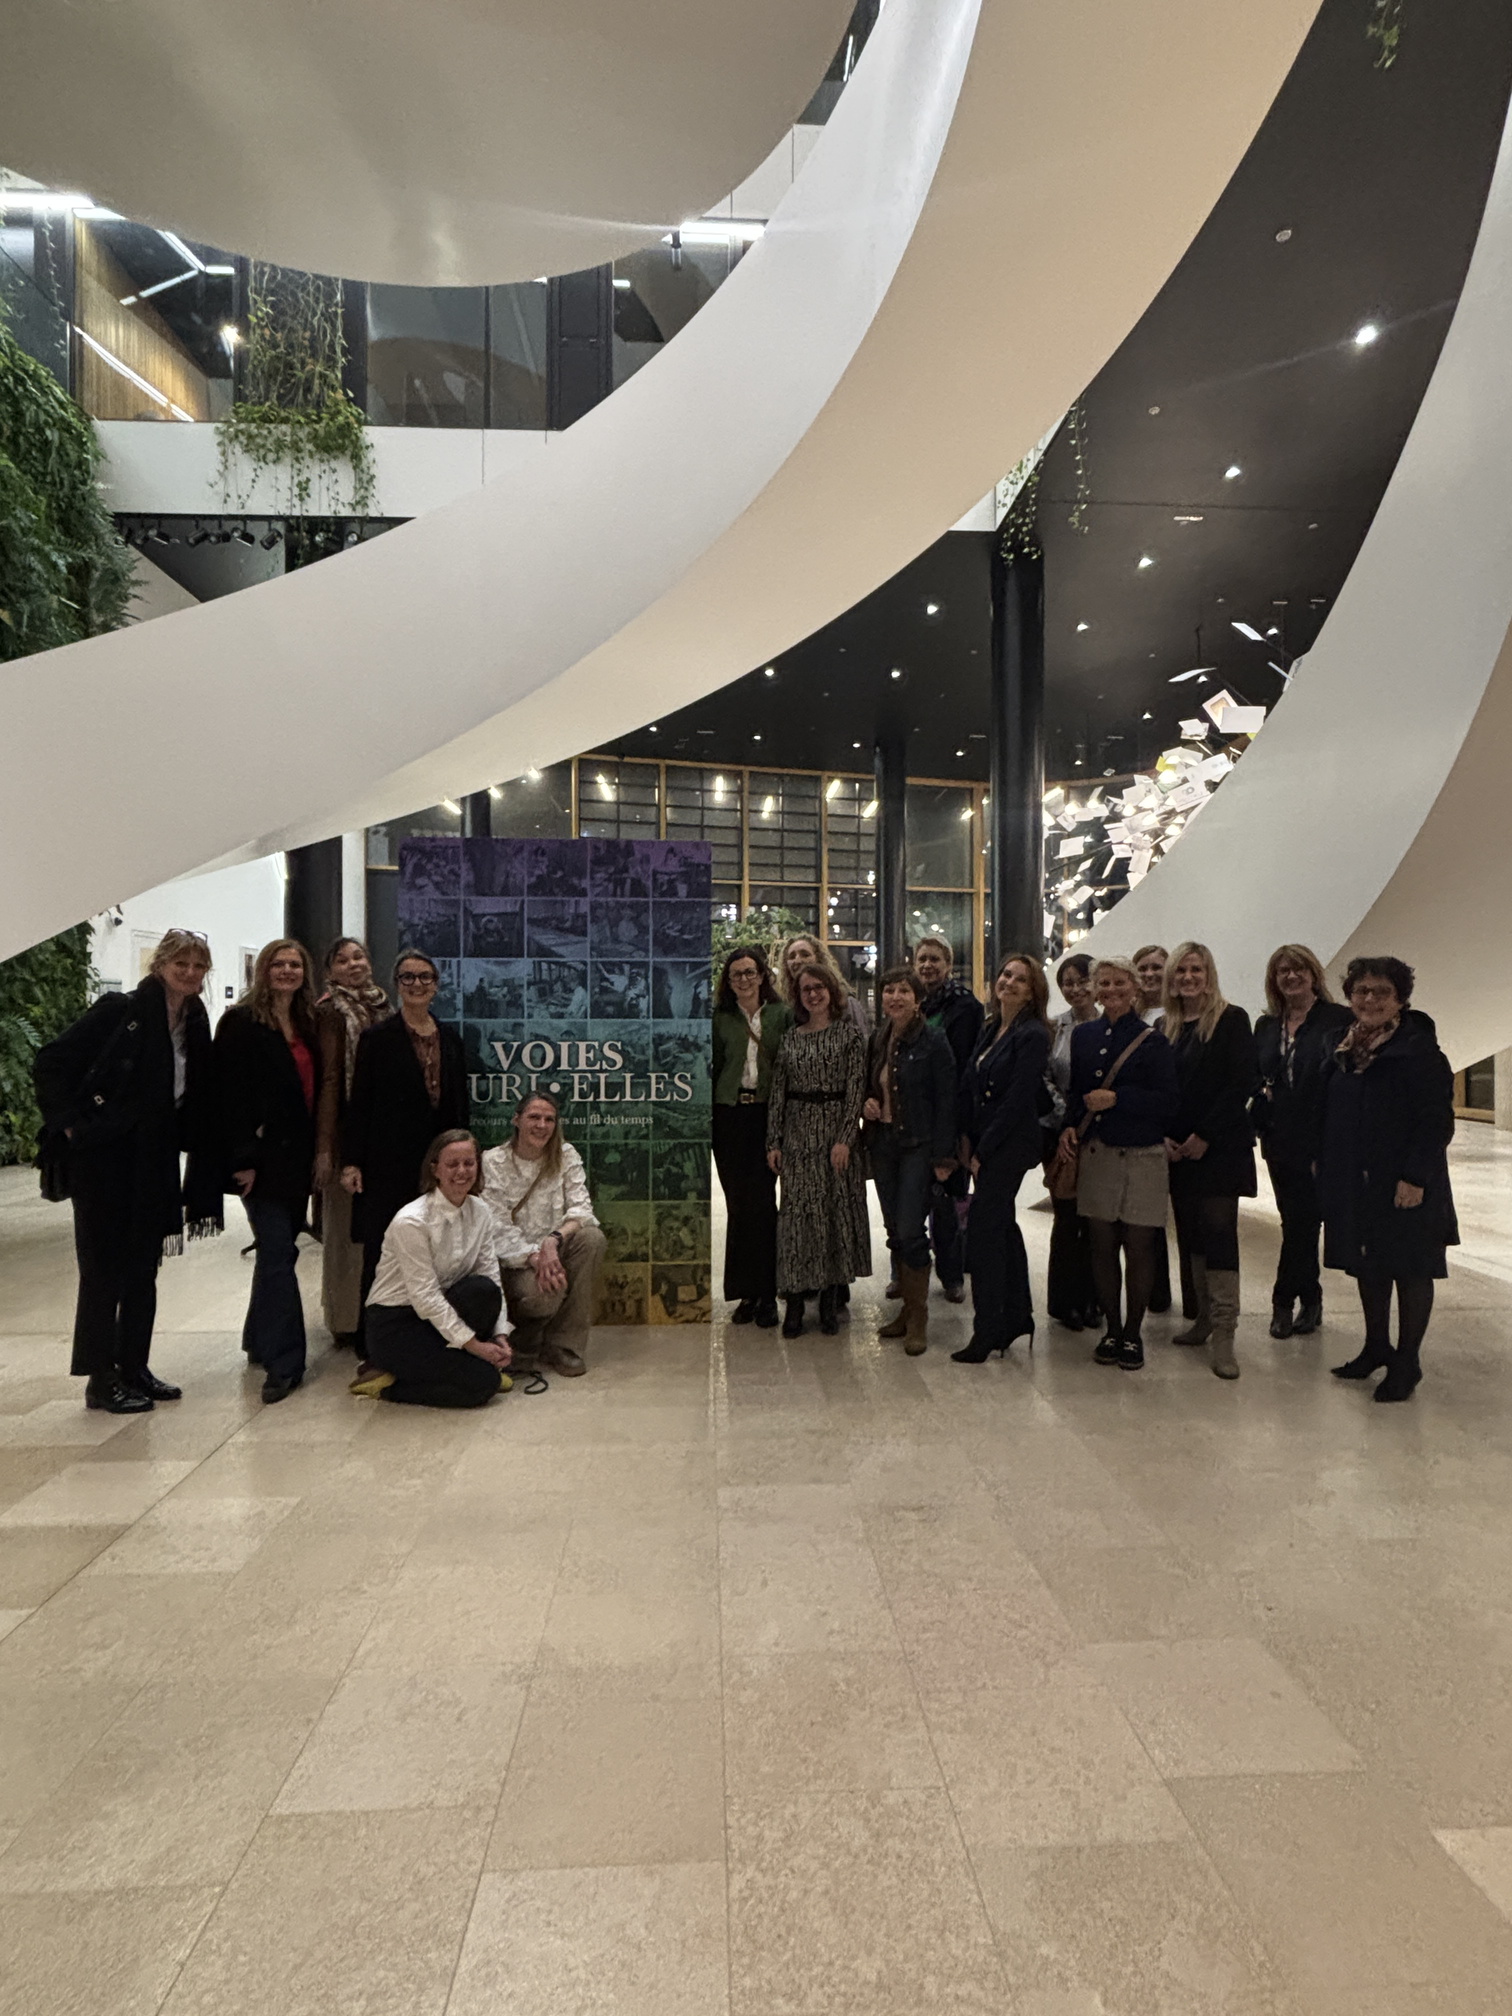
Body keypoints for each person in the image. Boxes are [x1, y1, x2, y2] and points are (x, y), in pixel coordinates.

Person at [34, 928, 223, 1414]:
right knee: (103, 1270)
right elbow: (52, 1061)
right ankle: (101, 1379)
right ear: (160, 965)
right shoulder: (122, 1010)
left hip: (153, 1156)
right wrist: (72, 1127)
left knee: (143, 1268)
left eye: (198, 965)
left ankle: (134, 1367)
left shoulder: (193, 1020)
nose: (190, 973)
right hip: (105, 1158)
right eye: (181, 963)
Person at [1318, 956, 1457, 1402]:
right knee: (1369, 1264)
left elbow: (1436, 1122)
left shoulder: (1420, 1051)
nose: (1370, 999)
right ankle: (1375, 1346)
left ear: (1400, 999)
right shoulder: (1342, 1047)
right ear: (1349, 996)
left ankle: (1407, 1361)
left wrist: (1414, 1177)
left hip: (1405, 1182)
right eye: (1362, 991)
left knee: (1411, 1269)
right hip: (1358, 1179)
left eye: (1382, 992)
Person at [1060, 955, 1179, 1372]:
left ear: (1134, 988)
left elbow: (1169, 1102)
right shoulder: (1084, 1035)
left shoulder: (1152, 1040)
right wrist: (1070, 1125)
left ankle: (1133, 1332)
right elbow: (1076, 1091)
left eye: (1119, 983)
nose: (1111, 990)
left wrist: (1118, 1099)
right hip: (1099, 1153)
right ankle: (1111, 1328)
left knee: (1140, 1245)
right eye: (1104, 983)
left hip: (1142, 1154)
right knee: (1102, 1245)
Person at [215, 939, 322, 1402]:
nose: (287, 971)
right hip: (260, 1160)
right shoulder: (241, 1022)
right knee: (279, 1251)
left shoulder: (309, 1021)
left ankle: (258, 1339)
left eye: (295, 964)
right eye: (278, 964)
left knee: (277, 1251)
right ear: (263, 970)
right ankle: (285, 1363)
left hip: (298, 1158)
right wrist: (241, 1161)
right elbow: (225, 1097)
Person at [342, 947, 469, 1311]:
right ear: (397, 984)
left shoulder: (451, 1039)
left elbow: (460, 1105)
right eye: (408, 977)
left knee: (437, 1250)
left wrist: (465, 1158)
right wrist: (352, 1161)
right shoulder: (376, 1039)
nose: (417, 984)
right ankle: (374, 1334)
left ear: (436, 985)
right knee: (383, 1252)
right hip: (387, 1163)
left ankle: (427, 1330)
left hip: (440, 1165)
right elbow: (360, 1103)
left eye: (425, 977)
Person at [353, 1129, 514, 1407]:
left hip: (438, 1314)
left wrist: (500, 1336)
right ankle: (387, 1385)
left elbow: (490, 1274)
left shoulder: (480, 1211)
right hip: (396, 1325)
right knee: (484, 1384)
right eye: (452, 1164)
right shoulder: (412, 1221)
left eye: (469, 1163)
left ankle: (449, 1364)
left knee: (484, 1290)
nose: (462, 1171)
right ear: (435, 1169)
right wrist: (475, 1346)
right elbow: (425, 1297)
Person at [1161, 941, 1258, 1381]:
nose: (1188, 978)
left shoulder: (1231, 1019)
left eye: (1196, 970)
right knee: (1191, 1236)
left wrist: (1206, 1135)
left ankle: (1224, 1334)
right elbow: (1164, 1088)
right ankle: (1202, 1319)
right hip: (1179, 1151)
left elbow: (1240, 1084)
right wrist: (1166, 1136)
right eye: (1181, 971)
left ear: (1208, 974)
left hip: (1220, 1149)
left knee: (1219, 1235)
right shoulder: (1167, 1026)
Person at [955, 953, 1053, 1362]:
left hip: (1010, 1143)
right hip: (985, 1140)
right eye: (1006, 975)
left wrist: (984, 1150)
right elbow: (972, 1087)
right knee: (1000, 1226)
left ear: (1032, 993)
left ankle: (987, 1328)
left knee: (983, 1233)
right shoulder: (992, 1026)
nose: (1009, 983)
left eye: (1020, 980)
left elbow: (1017, 1099)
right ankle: (1016, 1316)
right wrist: (966, 1137)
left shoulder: (1033, 1034)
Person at [1253, 945, 1352, 1338]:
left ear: (1313, 974)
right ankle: (1309, 1299)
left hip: (1320, 1139)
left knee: (1303, 1222)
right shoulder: (1267, 1025)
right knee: (1296, 1222)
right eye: (1282, 971)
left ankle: (1284, 1302)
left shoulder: (1337, 1020)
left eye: (1298, 969)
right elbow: (1255, 1073)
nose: (1291, 976)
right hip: (1278, 1139)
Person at [767, 963, 869, 1336]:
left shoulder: (849, 1036)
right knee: (796, 1220)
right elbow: (778, 1092)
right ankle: (795, 1300)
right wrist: (773, 1141)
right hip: (797, 1137)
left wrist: (845, 1138)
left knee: (833, 1216)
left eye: (819, 987)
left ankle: (829, 1299)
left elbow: (856, 1091)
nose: (813, 994)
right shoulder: (790, 1039)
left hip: (835, 1138)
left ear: (831, 991)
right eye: (806, 989)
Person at [862, 966, 957, 1354]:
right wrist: (869, 1102)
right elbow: (872, 1083)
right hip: (883, 1143)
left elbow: (948, 1099)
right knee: (894, 1229)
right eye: (889, 990)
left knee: (911, 1229)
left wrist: (945, 1155)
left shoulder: (934, 1039)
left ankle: (919, 1317)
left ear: (918, 1000)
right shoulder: (879, 1037)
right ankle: (905, 1310)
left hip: (918, 1145)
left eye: (903, 991)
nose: (895, 997)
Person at [482, 1091, 606, 1377]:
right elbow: (496, 1227)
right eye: (534, 1117)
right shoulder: (493, 1161)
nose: (542, 1125)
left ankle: (563, 1345)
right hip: (515, 1261)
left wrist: (553, 1241)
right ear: (517, 1120)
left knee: (592, 1239)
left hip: (553, 1249)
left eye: (549, 1119)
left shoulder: (565, 1154)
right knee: (547, 1293)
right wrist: (535, 1257)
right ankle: (522, 1338)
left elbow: (581, 1209)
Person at [312, 937, 390, 1350]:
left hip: (380, 1134)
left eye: (358, 956)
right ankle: (345, 1319)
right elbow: (329, 1079)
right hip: (344, 1133)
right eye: (342, 960)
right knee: (344, 1233)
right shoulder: (329, 1012)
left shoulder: (384, 1006)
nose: (353, 964)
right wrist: (327, 1147)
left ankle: (377, 1312)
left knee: (376, 1232)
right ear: (330, 971)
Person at [710, 946, 791, 1327]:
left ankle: (769, 1293)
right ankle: (746, 1293)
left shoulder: (781, 1015)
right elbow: (713, 1067)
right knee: (738, 1207)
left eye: (749, 972)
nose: (743, 979)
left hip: (767, 1116)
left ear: (762, 976)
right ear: (727, 982)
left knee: (763, 1206)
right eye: (736, 974)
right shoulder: (720, 1019)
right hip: (729, 1117)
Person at [913, 933, 984, 1305]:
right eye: (922, 959)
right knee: (910, 1203)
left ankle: (952, 1275)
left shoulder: (966, 1006)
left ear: (948, 965)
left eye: (934, 959)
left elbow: (964, 1069)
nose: (928, 965)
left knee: (946, 1203)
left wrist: (957, 1128)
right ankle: (906, 1274)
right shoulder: (909, 1000)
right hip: (912, 1119)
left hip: (949, 1117)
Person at [1045, 953, 1100, 1331]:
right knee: (1066, 1217)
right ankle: (1065, 1302)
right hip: (1060, 1133)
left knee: (1096, 1221)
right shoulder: (1055, 1028)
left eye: (1083, 981)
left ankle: (1094, 1299)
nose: (1076, 989)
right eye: (1068, 982)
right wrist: (1068, 1118)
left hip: (1101, 1134)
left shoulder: (1111, 1024)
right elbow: (1046, 1077)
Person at [1133, 942, 1177, 1315]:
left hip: (1172, 1128)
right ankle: (1153, 1292)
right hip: (1139, 1130)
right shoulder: (1129, 1014)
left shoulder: (1177, 1016)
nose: (1149, 974)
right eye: (1143, 968)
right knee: (1145, 1218)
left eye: (1156, 967)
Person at [778, 934, 869, 1035]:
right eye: (792, 957)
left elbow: (862, 1040)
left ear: (819, 959)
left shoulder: (846, 1003)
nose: (797, 960)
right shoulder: (786, 1007)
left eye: (805, 955)